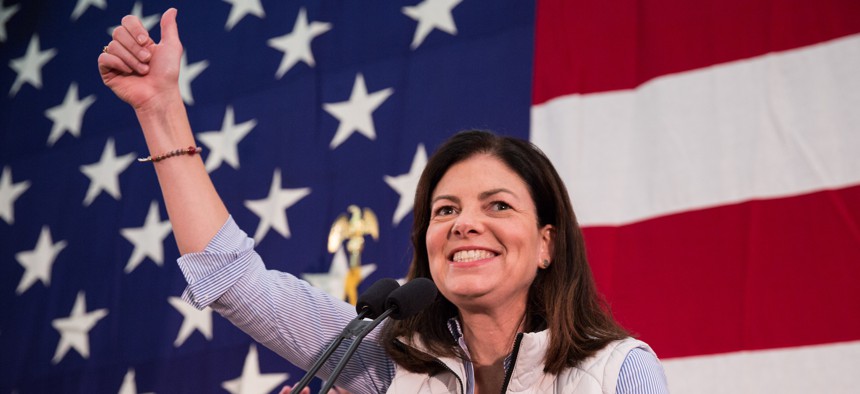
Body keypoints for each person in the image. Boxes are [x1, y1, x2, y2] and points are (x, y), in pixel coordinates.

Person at [99, 8, 669, 394]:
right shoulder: (383, 361)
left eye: (497, 206)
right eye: (445, 210)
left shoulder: (618, 373)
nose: (466, 224)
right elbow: (232, 279)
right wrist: (159, 110)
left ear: (547, 243)